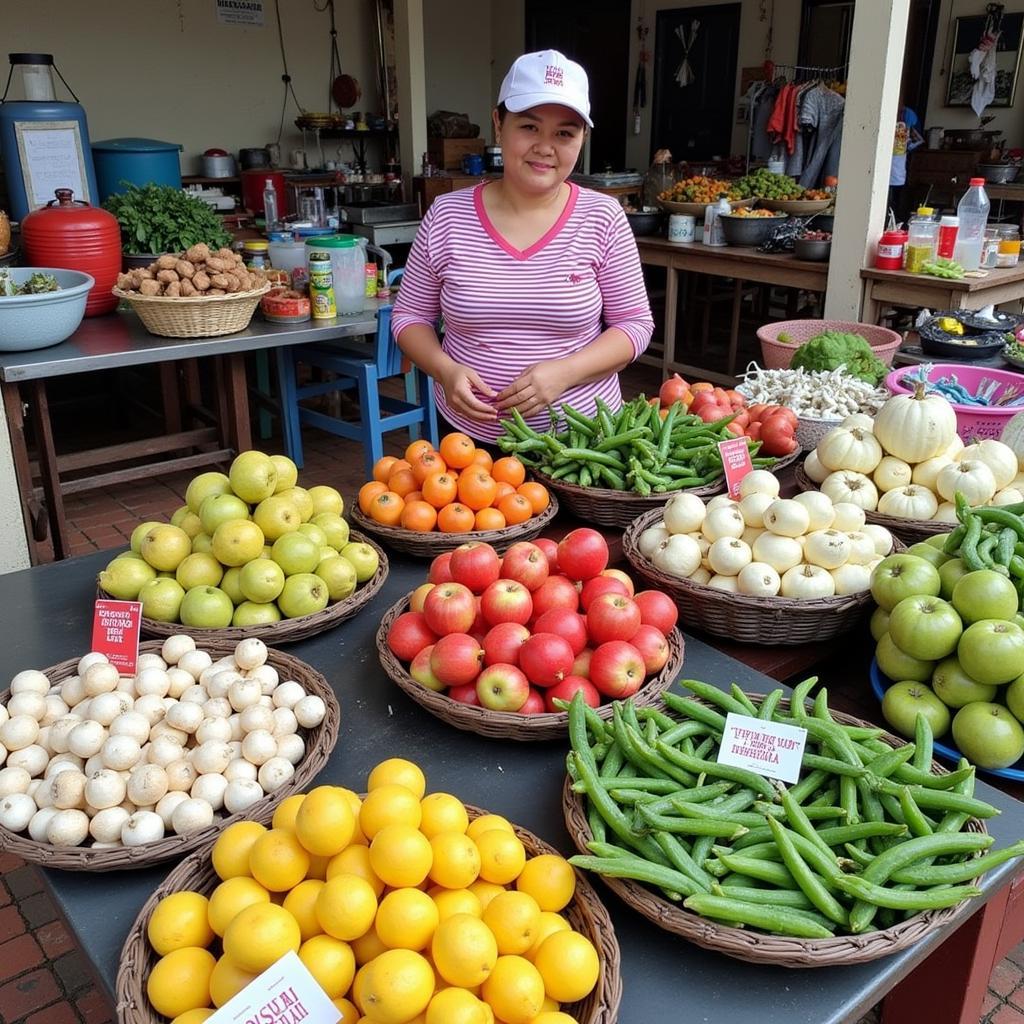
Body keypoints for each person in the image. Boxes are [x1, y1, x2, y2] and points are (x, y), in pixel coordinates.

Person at [392, 49, 654, 443]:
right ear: (499, 124)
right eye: (529, 127)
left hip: (583, 443)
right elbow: (409, 316)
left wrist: (567, 371)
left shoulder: (602, 217)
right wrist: (445, 369)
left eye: (565, 133)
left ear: (582, 138)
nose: (545, 147)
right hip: (470, 442)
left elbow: (634, 325)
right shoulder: (448, 215)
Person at [889, 103, 925, 223]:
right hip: (895, 162)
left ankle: (895, 219)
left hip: (897, 162)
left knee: (895, 196)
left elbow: (918, 140)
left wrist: (907, 146)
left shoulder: (906, 118)